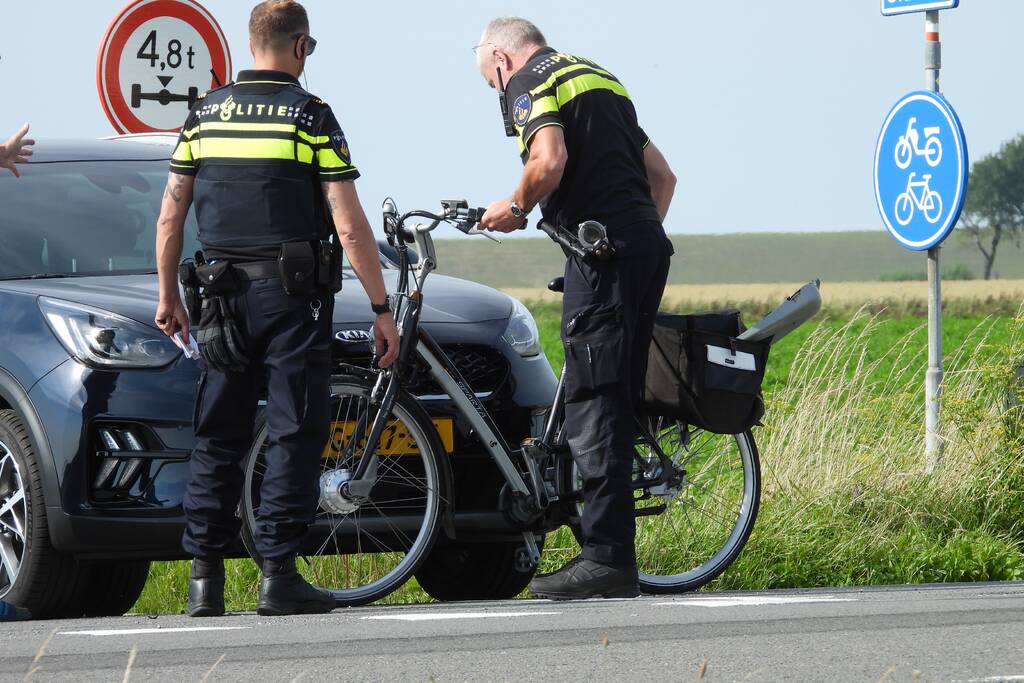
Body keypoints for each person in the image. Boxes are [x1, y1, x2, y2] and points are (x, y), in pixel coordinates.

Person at [154, 0, 399, 617]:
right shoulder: (310, 116)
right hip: (291, 299)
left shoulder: (203, 115)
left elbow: (171, 214)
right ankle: (277, 577)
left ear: (250, 43)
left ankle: (204, 581)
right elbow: (347, 220)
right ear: (300, 47)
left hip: (216, 299)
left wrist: (166, 296)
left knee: (218, 433)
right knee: (294, 431)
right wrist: (380, 305)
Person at [476, 17, 677, 600]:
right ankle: (606, 547)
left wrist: (513, 207)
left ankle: (607, 560)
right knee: (615, 391)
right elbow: (662, 178)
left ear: (500, 58)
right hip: (645, 247)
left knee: (595, 401)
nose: (496, 91)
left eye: (491, 80)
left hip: (608, 253)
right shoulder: (599, 77)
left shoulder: (529, 82)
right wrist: (626, 240)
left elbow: (549, 160)